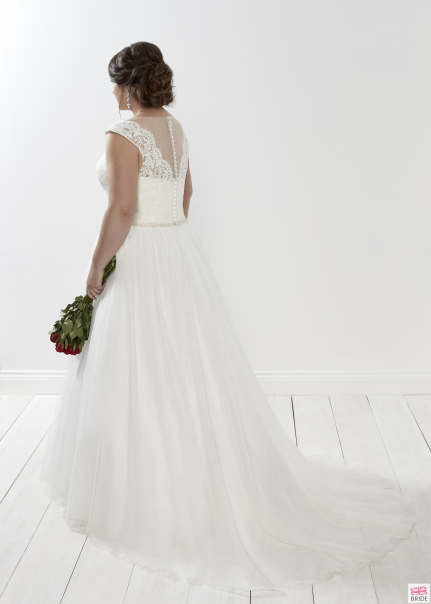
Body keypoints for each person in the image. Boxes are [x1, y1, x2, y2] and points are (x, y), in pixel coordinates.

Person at [40, 41, 418, 597]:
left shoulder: (122, 134)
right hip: (178, 252)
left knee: (135, 368)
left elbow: (121, 209)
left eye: (113, 83)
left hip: (140, 256)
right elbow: (186, 195)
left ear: (126, 83)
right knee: (183, 367)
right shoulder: (175, 128)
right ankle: (190, 469)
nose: (111, 93)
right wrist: (168, 240)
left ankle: (141, 487)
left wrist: (97, 267)